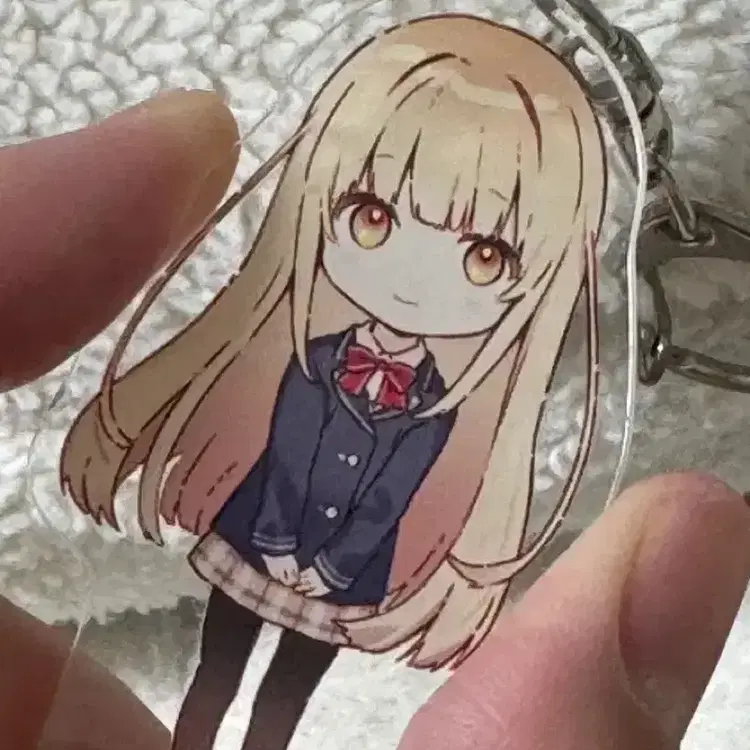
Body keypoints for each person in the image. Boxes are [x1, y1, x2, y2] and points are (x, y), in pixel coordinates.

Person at [1, 89, 749, 750]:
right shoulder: (309, 357)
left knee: (285, 698)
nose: (418, 278)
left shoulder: (442, 402)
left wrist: (331, 565)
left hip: (349, 573)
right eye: (373, 218)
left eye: (485, 257)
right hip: (257, 535)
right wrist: (276, 542)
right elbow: (285, 447)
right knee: (216, 672)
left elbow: (396, 490)